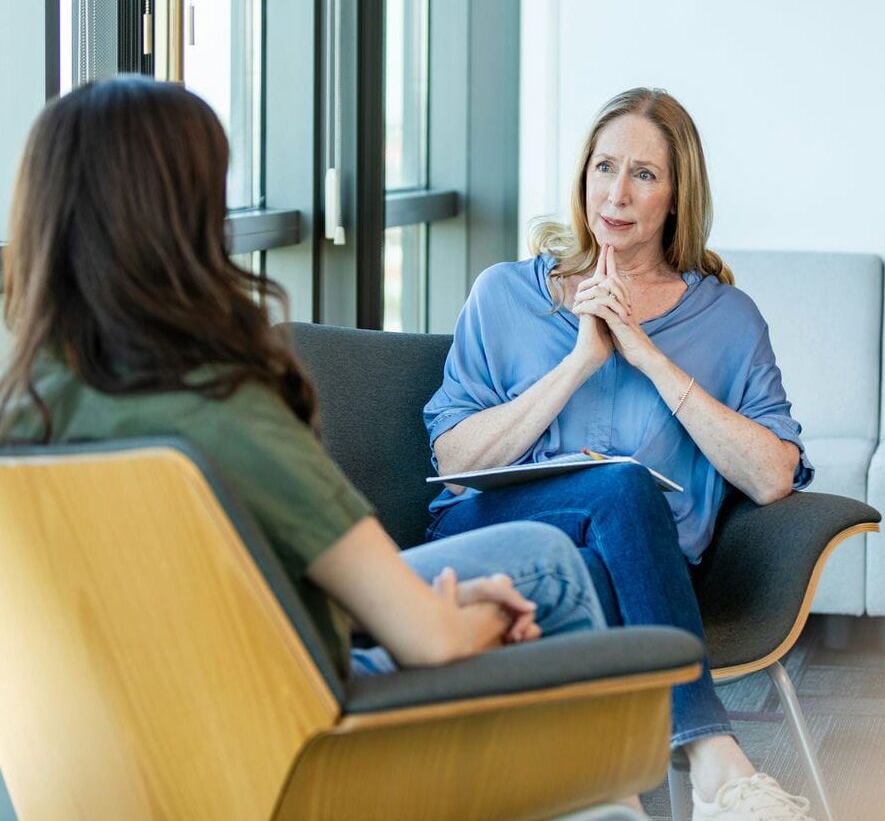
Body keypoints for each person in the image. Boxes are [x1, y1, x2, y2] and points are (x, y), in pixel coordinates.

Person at [0, 75, 608, 691]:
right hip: (294, 725)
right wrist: (481, 620)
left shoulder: (22, 414)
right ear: (186, 222)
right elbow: (432, 641)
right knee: (548, 564)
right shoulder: (221, 410)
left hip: (136, 722)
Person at [424, 87, 817, 821]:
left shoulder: (728, 320)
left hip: (640, 574)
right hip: (492, 545)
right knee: (621, 486)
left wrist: (646, 356)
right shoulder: (503, 294)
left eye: (644, 174)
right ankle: (715, 761)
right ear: (583, 177)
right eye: (605, 167)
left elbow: (772, 477)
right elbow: (454, 464)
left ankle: (611, 799)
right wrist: (579, 362)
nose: (617, 193)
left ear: (677, 196)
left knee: (604, 549)